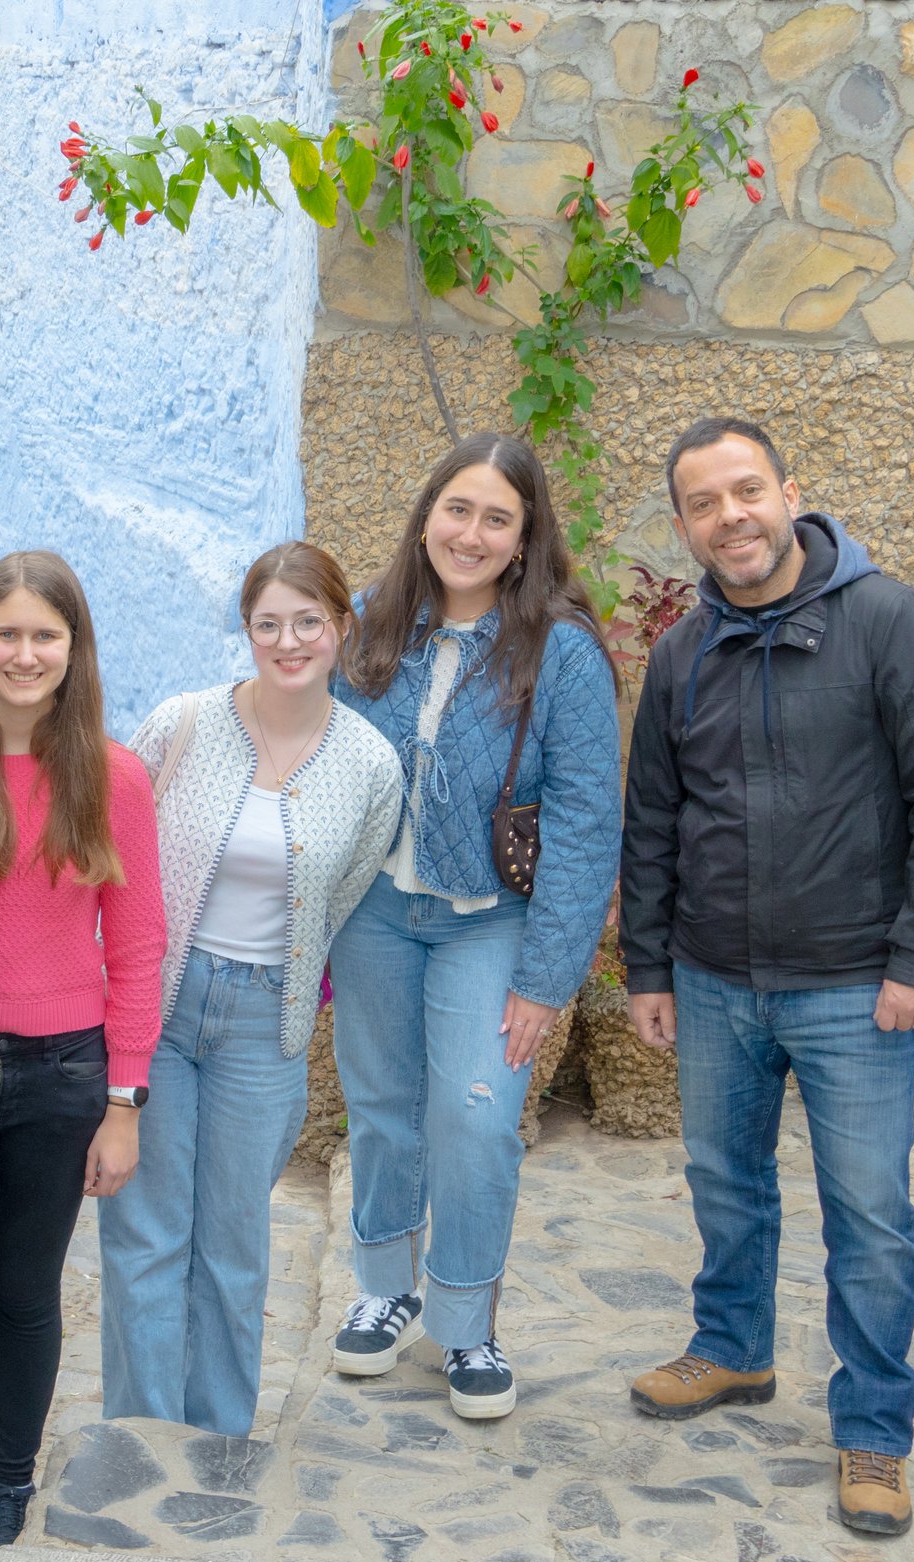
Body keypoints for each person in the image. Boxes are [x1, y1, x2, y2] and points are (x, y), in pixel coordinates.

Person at [619, 416, 914, 1537]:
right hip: (716, 979)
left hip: (852, 986)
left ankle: (873, 1427)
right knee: (723, 1182)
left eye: (746, 490)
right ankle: (731, 1349)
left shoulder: (886, 620)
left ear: (789, 491)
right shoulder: (684, 651)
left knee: (868, 1215)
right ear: (683, 524)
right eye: (703, 502)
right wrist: (649, 962)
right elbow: (653, 819)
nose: (729, 516)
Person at [328, 434, 621, 1421]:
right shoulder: (373, 626)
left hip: (486, 920)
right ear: (425, 516)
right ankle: (385, 1285)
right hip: (374, 910)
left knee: (477, 1114)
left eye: (497, 516)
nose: (471, 531)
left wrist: (547, 978)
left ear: (524, 536)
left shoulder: (562, 651)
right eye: (456, 508)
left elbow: (585, 819)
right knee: (380, 1105)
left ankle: (464, 1318)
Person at [104, 541, 404, 1438]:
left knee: (234, 1245)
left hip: (263, 1022)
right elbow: (116, 849)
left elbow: (346, 887)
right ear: (247, 630)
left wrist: (288, 974)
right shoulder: (183, 722)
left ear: (341, 627)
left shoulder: (370, 762)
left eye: (308, 620)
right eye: (268, 622)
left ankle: (220, 1438)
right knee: (146, 1235)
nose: (288, 639)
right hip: (161, 1004)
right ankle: (141, 1441)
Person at [0, 551, 166, 1562]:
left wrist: (124, 1100)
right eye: (6, 632)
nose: (24, 653)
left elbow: (140, 941)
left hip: (64, 1072)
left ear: (73, 649)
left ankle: (13, 1469)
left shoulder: (111, 774)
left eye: (44, 636)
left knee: (22, 1286)